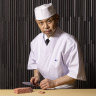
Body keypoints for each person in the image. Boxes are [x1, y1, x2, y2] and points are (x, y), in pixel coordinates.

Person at [27, 3, 86, 89]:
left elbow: (75, 73)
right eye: (41, 23)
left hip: (66, 90)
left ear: (57, 18)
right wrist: (36, 76)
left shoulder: (69, 42)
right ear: (37, 23)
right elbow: (35, 64)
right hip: (47, 89)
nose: (46, 27)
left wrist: (54, 83)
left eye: (49, 21)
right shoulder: (35, 42)